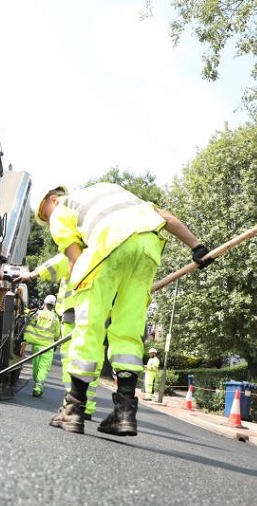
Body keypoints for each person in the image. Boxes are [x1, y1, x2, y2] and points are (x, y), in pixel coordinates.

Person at [36, 182, 213, 436]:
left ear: (52, 199)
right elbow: (167, 218)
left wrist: (88, 297)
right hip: (147, 248)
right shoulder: (112, 190)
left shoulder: (62, 209)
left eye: (45, 214)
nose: (47, 218)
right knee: (128, 331)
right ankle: (125, 413)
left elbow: (76, 260)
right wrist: (197, 248)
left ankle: (73, 410)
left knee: (89, 329)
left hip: (107, 249)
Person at [22, 293, 62, 396]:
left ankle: (37, 383)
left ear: (44, 303)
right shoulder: (55, 318)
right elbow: (57, 335)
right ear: (53, 306)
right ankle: (39, 386)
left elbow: (30, 322)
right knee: (43, 367)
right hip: (48, 347)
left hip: (36, 345)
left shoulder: (37, 313)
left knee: (36, 366)